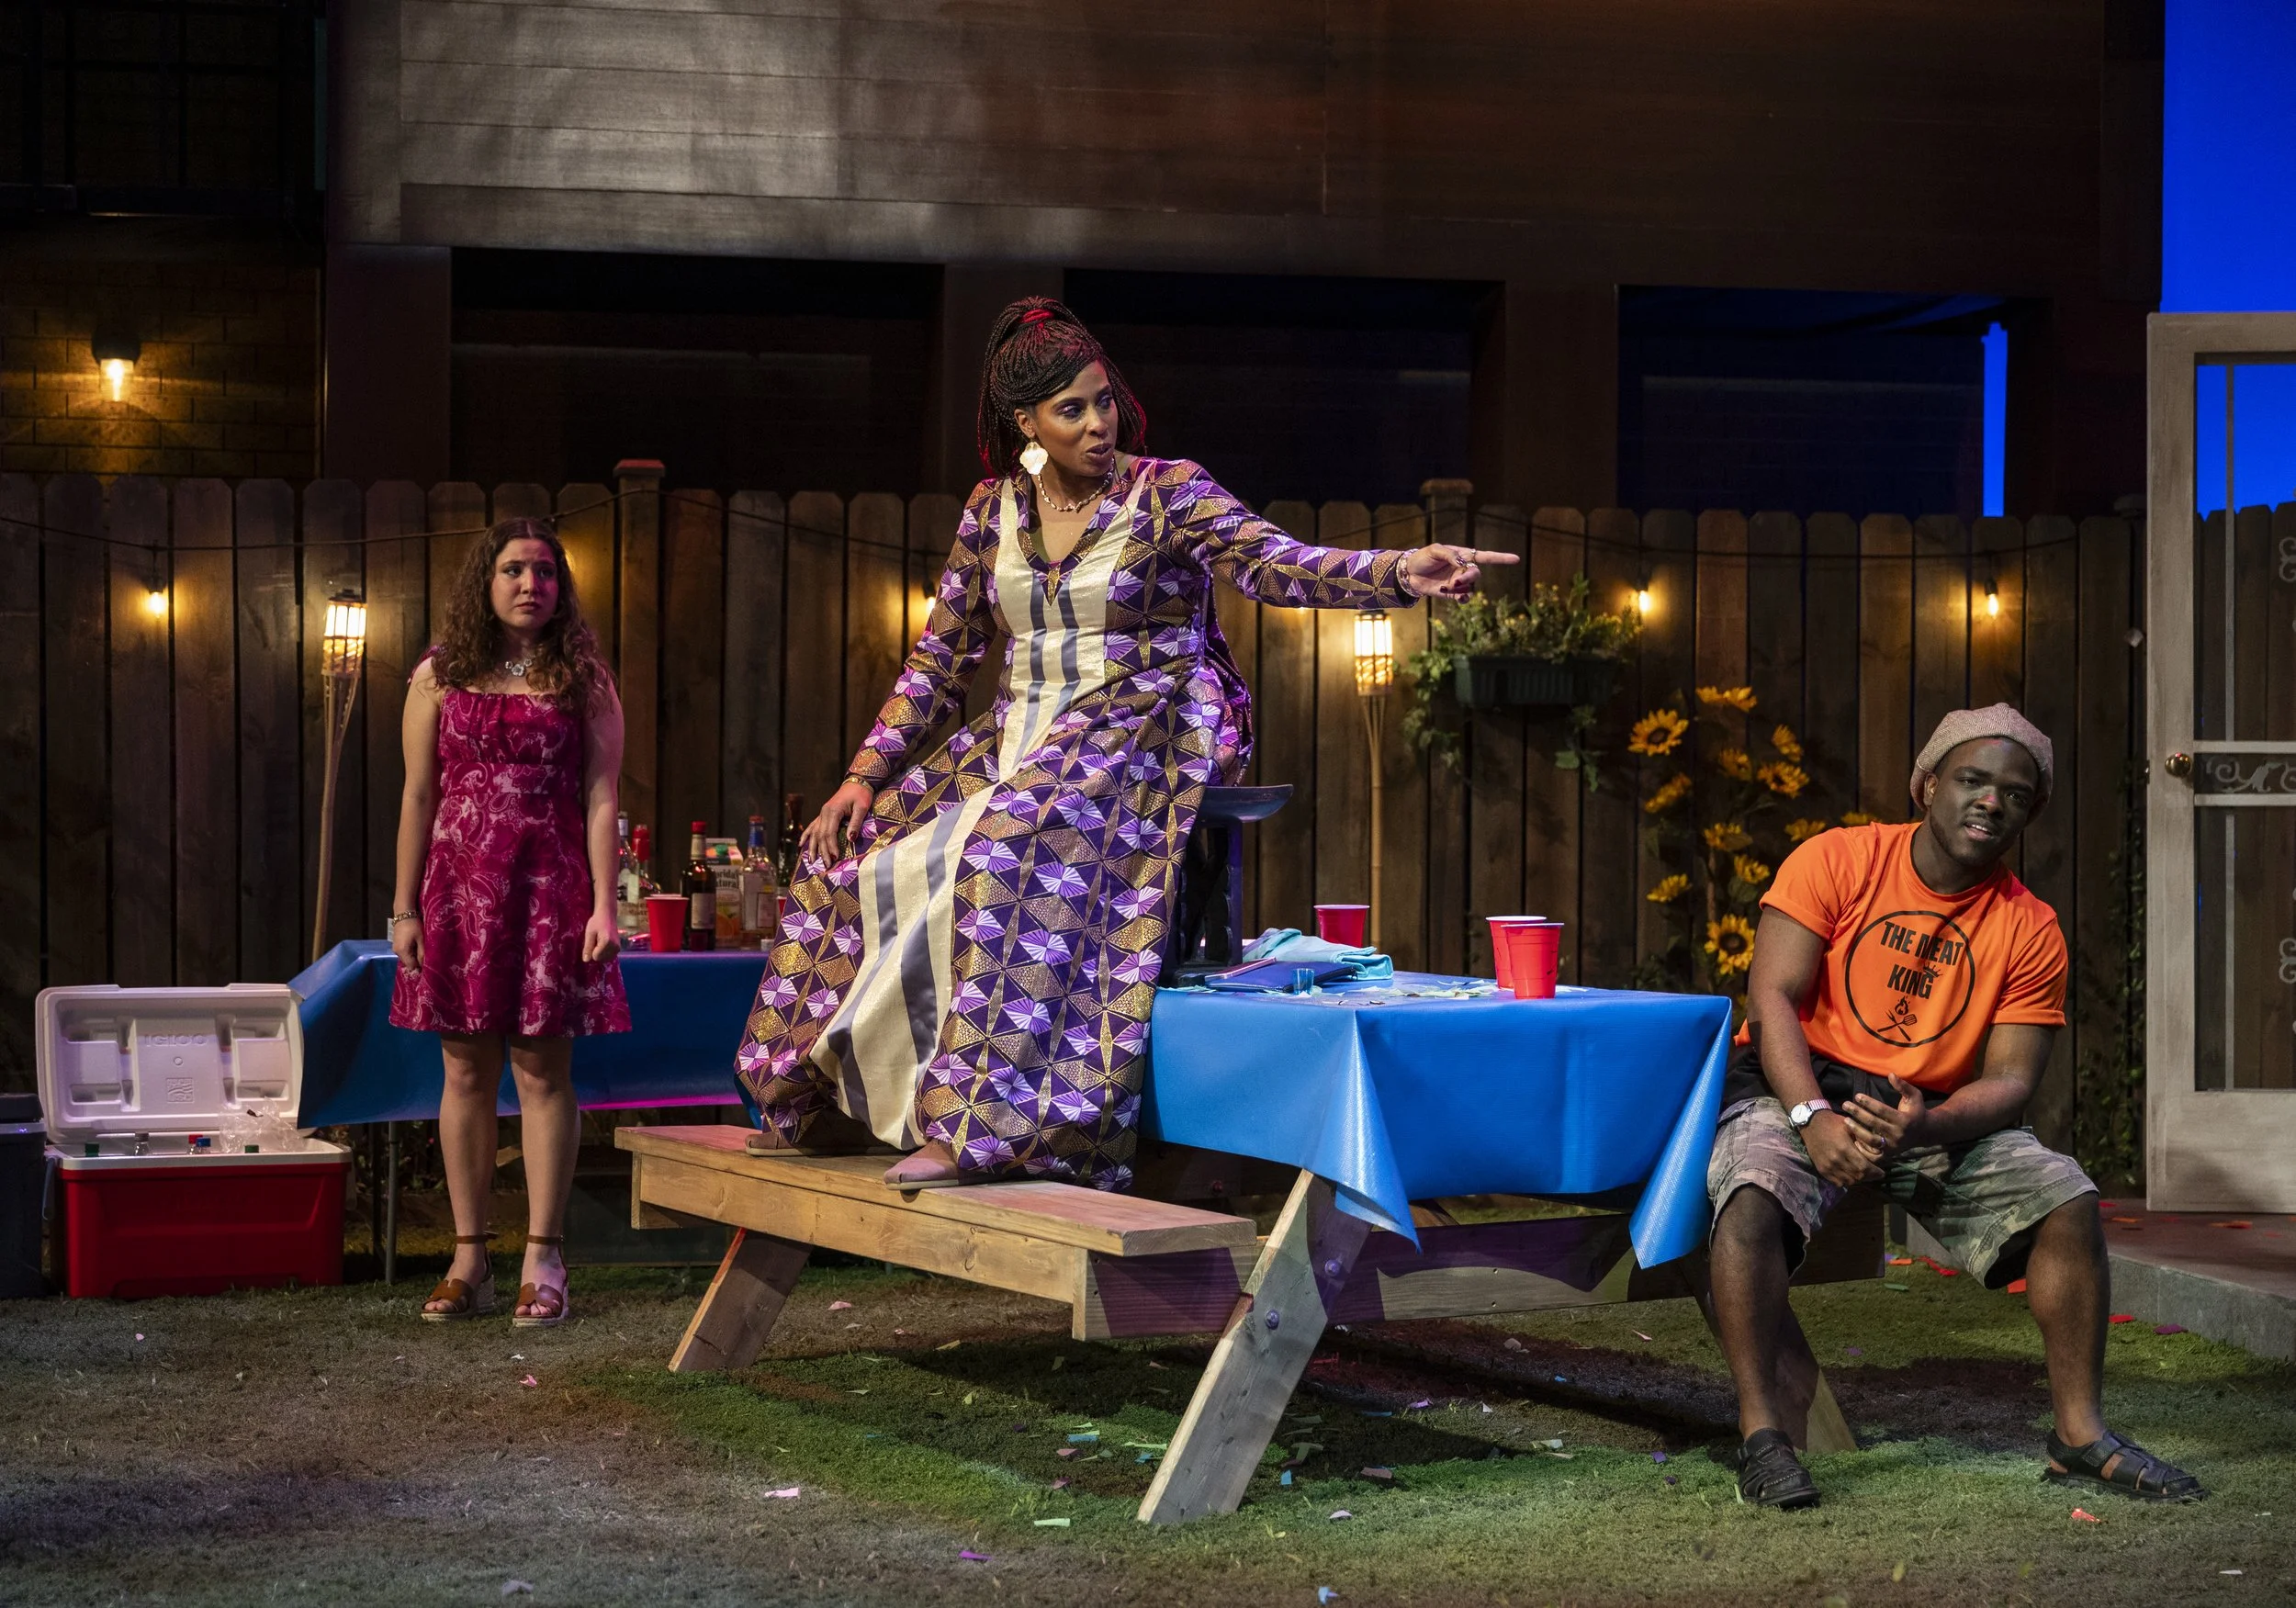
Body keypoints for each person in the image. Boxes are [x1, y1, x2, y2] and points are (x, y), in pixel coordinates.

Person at [735, 296, 1515, 1189]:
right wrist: (861, 777)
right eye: (1071, 409)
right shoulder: (992, 511)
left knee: (1003, 850)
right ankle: (828, 1095)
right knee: (862, 849)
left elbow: (1276, 560)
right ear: (1023, 421)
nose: (1098, 422)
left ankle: (983, 1130)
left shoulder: (1165, 490)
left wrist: (1395, 571)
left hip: (1155, 714)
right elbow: (939, 660)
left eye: (1103, 400)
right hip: (1024, 729)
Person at [1707, 704, 2203, 1508]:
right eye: (1973, 780)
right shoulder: (1837, 859)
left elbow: (2010, 1079)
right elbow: (1772, 999)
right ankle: (1763, 1433)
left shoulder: (2030, 927)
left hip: (1926, 1110)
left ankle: (2078, 1434)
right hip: (1795, 1081)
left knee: (2066, 1196)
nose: (1990, 801)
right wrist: (1810, 1117)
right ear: (1928, 784)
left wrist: (1926, 1123)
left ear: (2029, 810)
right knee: (1753, 1190)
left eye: (2013, 792)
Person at [390, 516, 629, 1326]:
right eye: (514, 570)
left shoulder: (583, 679)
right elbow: (417, 794)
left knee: (540, 1072)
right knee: (462, 1072)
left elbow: (602, 797)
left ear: (561, 587)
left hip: (547, 888)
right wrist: (403, 908)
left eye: (545, 571)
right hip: (458, 892)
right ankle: (468, 1259)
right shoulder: (439, 675)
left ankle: (543, 1256)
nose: (531, 584)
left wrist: (604, 901)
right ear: (484, 584)